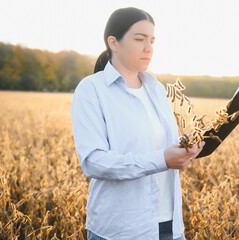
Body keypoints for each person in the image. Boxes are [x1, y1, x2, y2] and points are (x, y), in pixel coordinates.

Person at [71, 7, 204, 240]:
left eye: (152, 40)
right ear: (114, 42)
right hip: (121, 229)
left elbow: (165, 147)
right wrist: (162, 159)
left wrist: (187, 152)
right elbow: (94, 162)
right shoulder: (92, 89)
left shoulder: (156, 88)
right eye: (139, 39)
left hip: (169, 226)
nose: (149, 48)